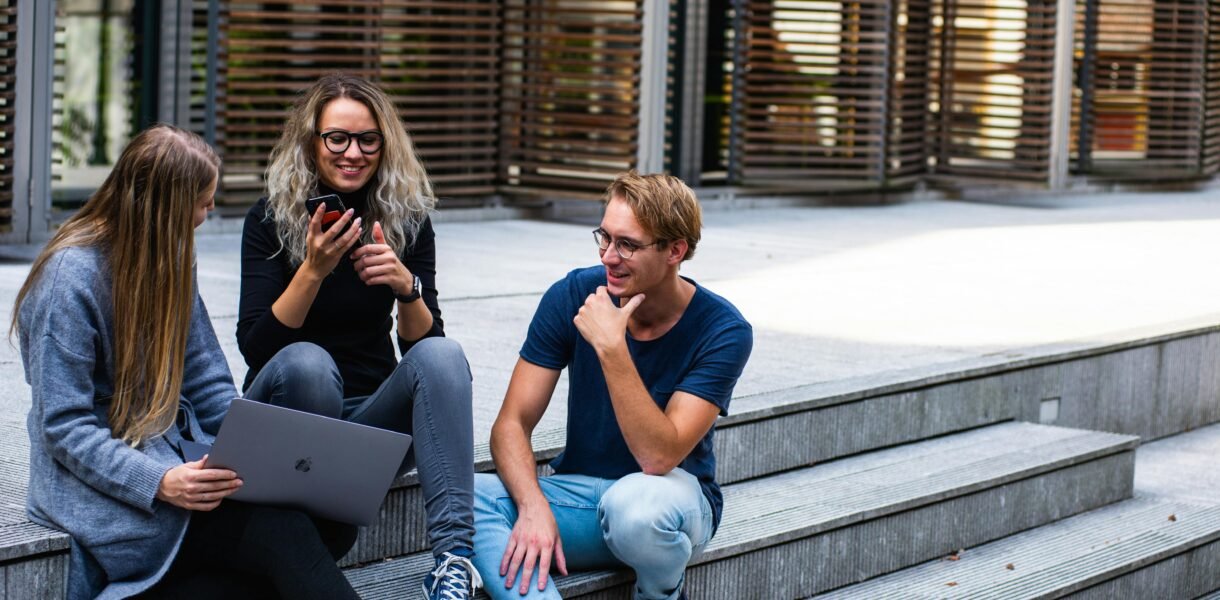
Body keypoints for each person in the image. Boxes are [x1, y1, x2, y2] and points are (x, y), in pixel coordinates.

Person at [14, 124, 361, 599]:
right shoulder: (68, 281)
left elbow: (207, 378)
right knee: (281, 534)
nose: (210, 211)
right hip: (109, 484)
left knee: (331, 526)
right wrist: (159, 481)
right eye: (203, 201)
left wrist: (251, 456)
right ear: (166, 207)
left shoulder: (171, 254)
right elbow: (64, 427)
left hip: (178, 456)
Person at [237, 73, 480, 600]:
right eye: (337, 138)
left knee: (445, 355)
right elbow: (255, 349)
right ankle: (301, 540)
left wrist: (406, 288)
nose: (353, 152)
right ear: (312, 142)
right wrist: (313, 270)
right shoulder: (270, 220)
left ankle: (454, 562)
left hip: (368, 423)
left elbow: (423, 353)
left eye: (368, 139)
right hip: (287, 418)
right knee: (307, 363)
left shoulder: (406, 221)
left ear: (384, 143)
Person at [471, 172, 753, 599]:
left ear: (675, 250)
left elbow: (658, 457)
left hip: (668, 505)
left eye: (628, 245)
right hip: (582, 496)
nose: (608, 256)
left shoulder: (723, 330)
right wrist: (532, 508)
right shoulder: (573, 293)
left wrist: (612, 348)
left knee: (635, 507)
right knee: (469, 496)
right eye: (604, 237)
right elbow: (510, 424)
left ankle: (661, 592)